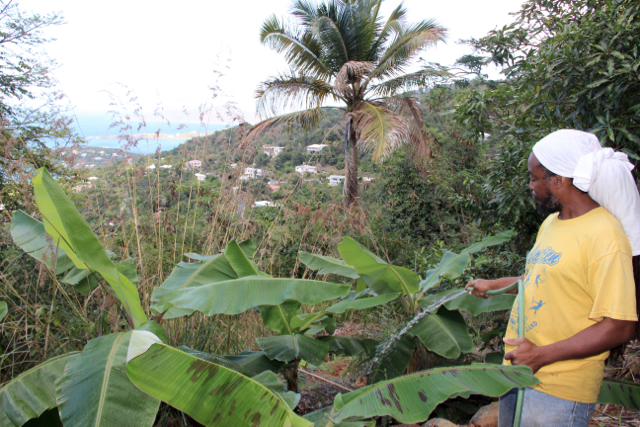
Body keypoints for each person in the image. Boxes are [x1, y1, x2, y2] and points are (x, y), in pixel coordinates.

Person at [466, 129, 639, 427]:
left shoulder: (605, 236)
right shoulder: (551, 224)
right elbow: (542, 277)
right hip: (519, 373)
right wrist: (495, 285)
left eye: (535, 179)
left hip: (559, 389)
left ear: (557, 181)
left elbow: (620, 325)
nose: (530, 186)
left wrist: (542, 355)